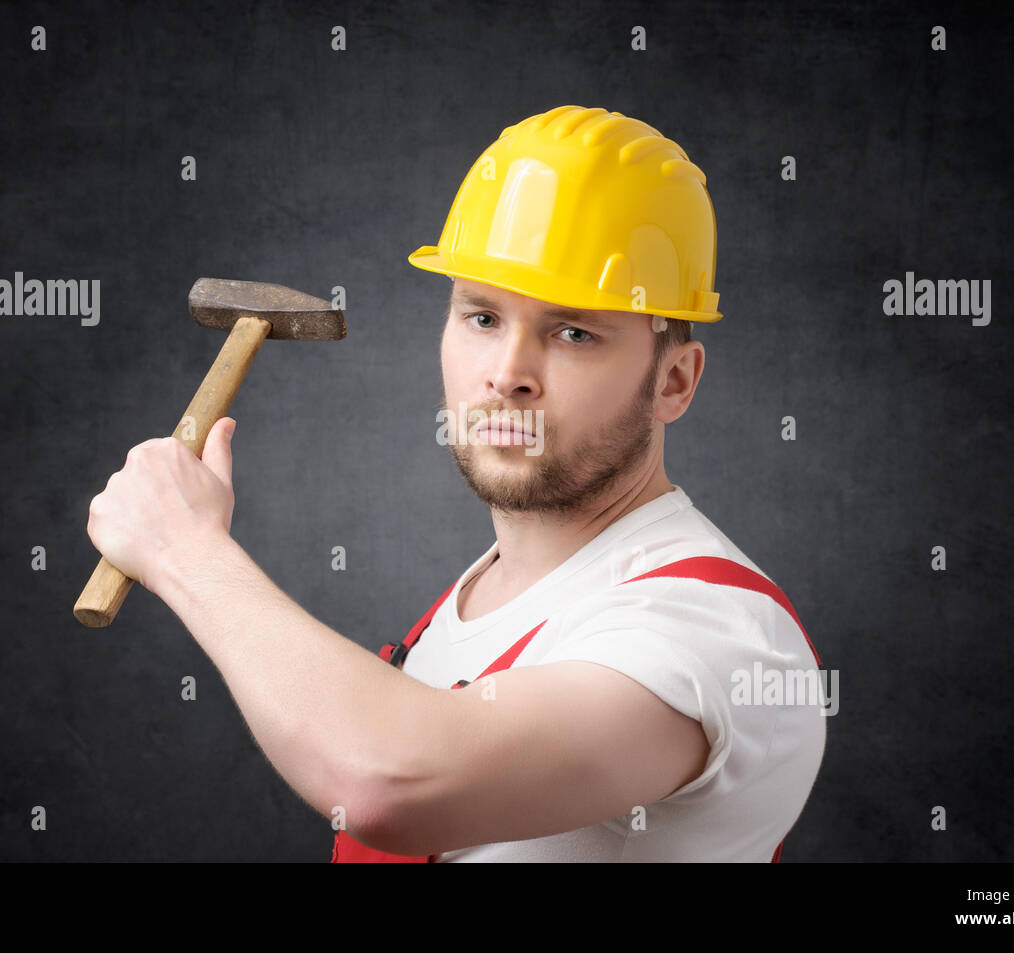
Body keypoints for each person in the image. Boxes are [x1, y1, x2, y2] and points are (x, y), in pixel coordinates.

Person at [85, 105, 826, 862]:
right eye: (481, 316)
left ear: (673, 381)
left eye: (574, 332)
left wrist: (187, 551)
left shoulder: (715, 629)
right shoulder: (475, 600)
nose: (507, 375)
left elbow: (385, 782)